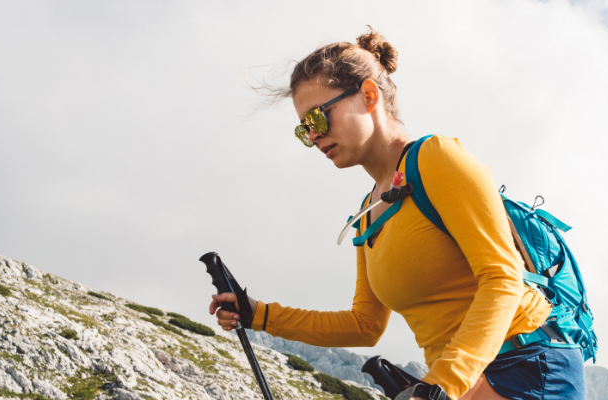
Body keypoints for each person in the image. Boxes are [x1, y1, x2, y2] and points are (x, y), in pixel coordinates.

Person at [209, 28, 586, 400]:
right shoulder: (368, 213)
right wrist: (259, 314)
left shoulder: (437, 159)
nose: (314, 137)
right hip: (459, 381)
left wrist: (440, 386)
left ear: (369, 96)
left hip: (525, 365)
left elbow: (501, 277)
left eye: (319, 119)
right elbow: (365, 325)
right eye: (303, 130)